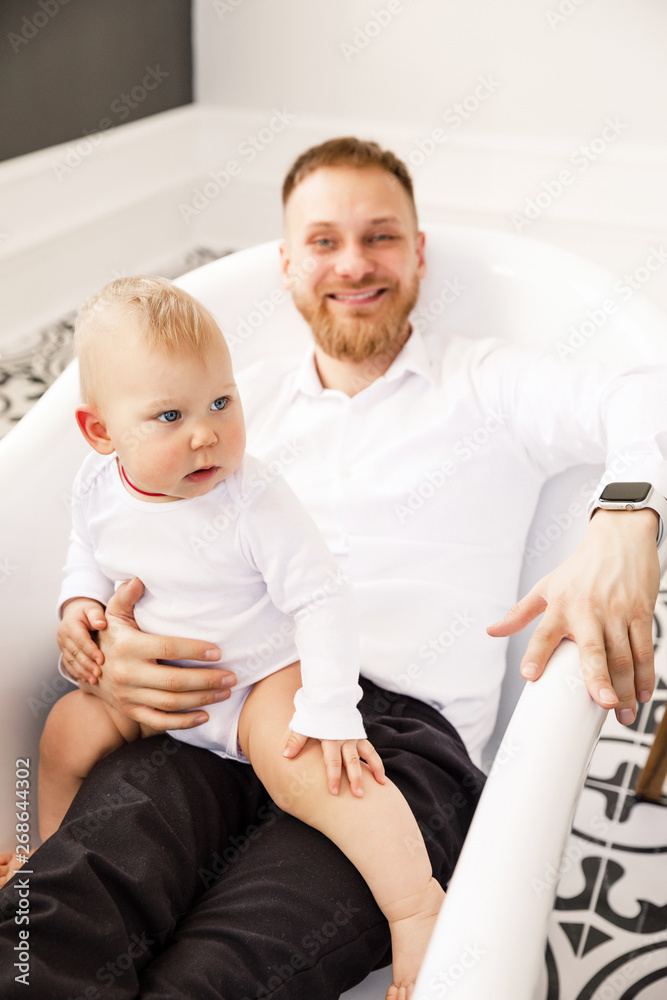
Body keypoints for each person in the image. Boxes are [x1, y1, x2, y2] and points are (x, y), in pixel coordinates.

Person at [0, 136, 665, 1000]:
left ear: (418, 252)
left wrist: (625, 513)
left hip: (394, 745)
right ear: (284, 265)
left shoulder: (485, 384)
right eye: (323, 241)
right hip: (214, 714)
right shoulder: (231, 404)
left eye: (380, 236)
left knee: (222, 977)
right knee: (54, 918)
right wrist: (112, 647)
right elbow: (117, 523)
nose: (353, 263)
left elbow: (646, 390)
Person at [2, 273, 445, 998]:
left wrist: (329, 708)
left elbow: (323, 599)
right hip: (161, 693)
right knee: (61, 734)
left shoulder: (253, 501)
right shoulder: (95, 485)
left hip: (258, 679)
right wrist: (75, 605)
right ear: (100, 432)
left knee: (315, 770)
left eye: (220, 401)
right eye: (170, 415)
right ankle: (45, 849)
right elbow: (86, 550)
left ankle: (416, 903)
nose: (206, 431)